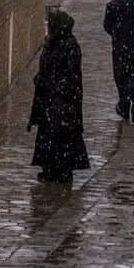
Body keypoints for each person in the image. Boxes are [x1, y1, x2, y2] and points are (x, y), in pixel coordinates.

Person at [27, 9, 90, 183]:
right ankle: (50, 168)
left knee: (61, 135)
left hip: (62, 100)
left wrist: (58, 89)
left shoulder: (68, 45)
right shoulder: (52, 43)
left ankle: (61, 170)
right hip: (49, 98)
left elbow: (70, 74)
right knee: (49, 134)